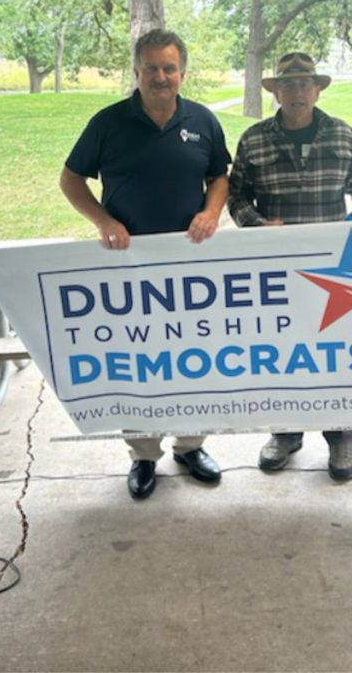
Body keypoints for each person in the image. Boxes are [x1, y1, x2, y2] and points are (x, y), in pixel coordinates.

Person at [60, 29, 231, 500]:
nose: (161, 76)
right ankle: (143, 454)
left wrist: (211, 211)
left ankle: (191, 446)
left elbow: (219, 176)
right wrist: (103, 220)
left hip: (191, 267)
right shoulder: (108, 123)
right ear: (136, 72)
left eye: (169, 68)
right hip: (127, 267)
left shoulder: (203, 120)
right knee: (137, 362)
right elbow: (71, 180)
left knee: (194, 358)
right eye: (151, 68)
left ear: (182, 72)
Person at [227, 51, 352, 482]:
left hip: (335, 268)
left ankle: (341, 439)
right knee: (282, 351)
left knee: (335, 351)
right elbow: (236, 196)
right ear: (275, 91)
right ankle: (285, 433)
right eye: (288, 85)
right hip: (276, 270)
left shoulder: (340, 133)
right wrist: (257, 224)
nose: (297, 91)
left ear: (317, 89)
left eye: (305, 84)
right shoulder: (254, 139)